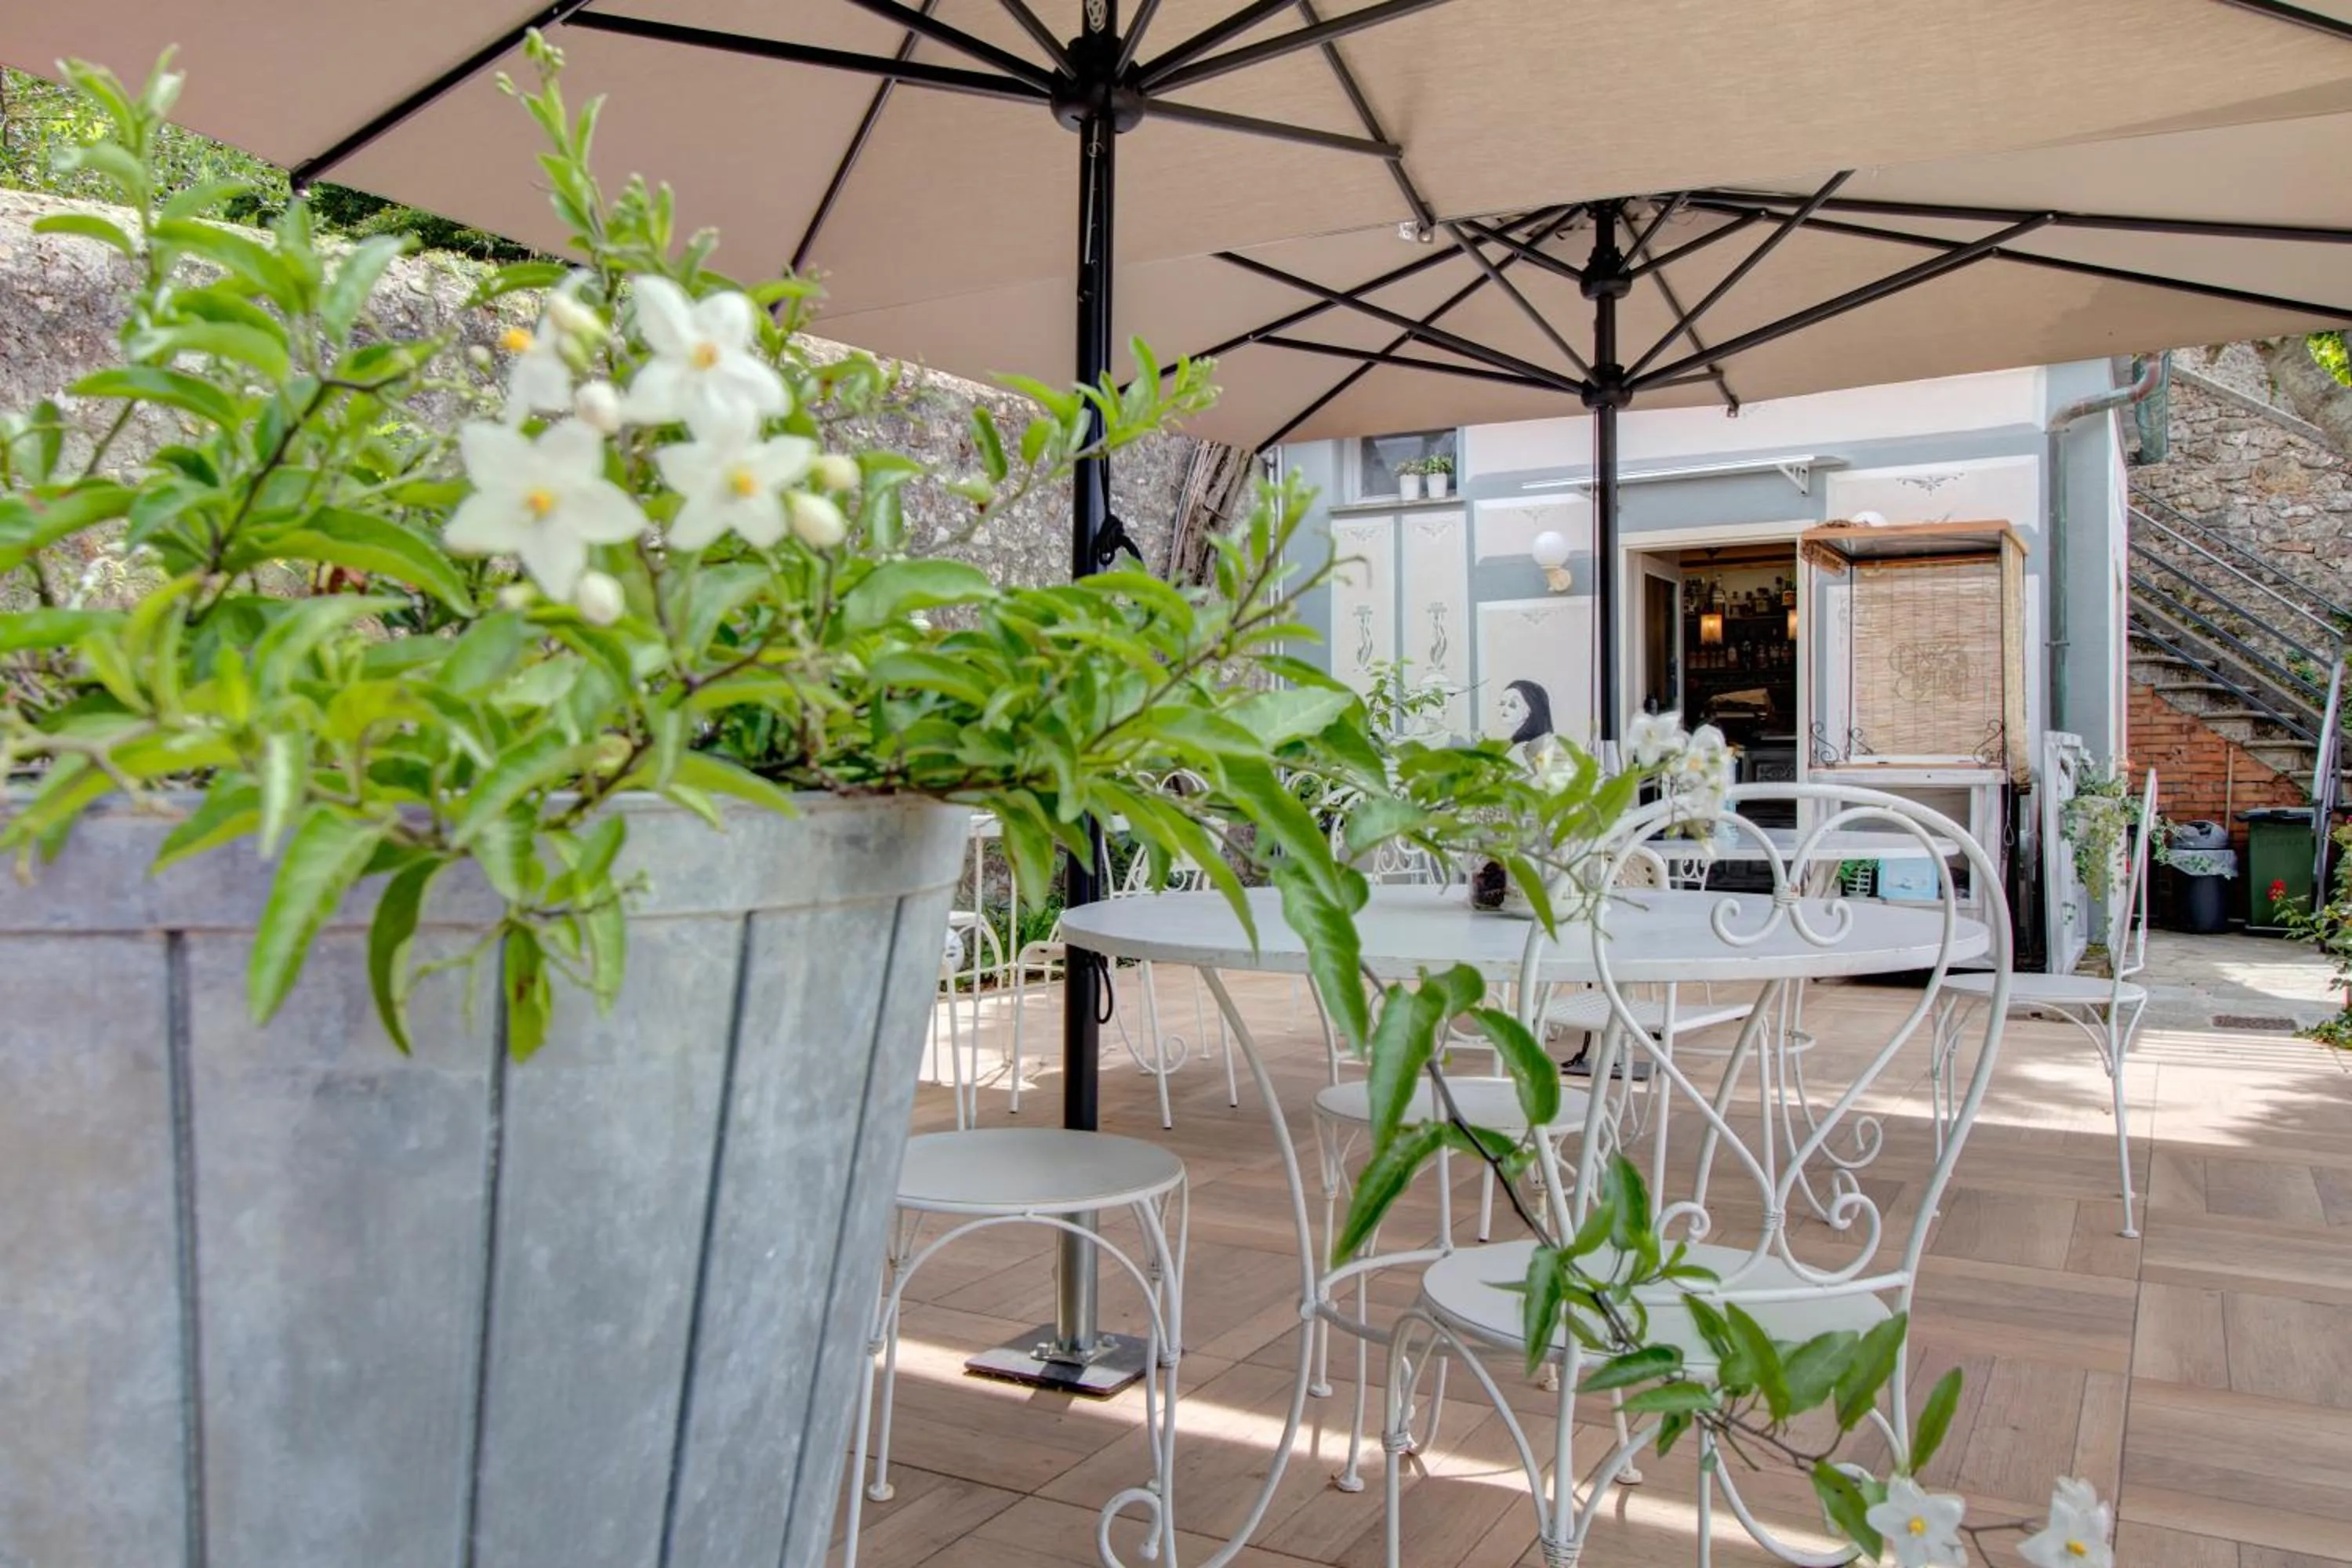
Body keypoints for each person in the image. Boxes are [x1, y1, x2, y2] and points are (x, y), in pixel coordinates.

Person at [1497, 677, 1554, 747]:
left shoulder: (1525, 745)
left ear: (1530, 710)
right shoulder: (1511, 739)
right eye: (1502, 703)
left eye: (1513, 705)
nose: (1504, 709)